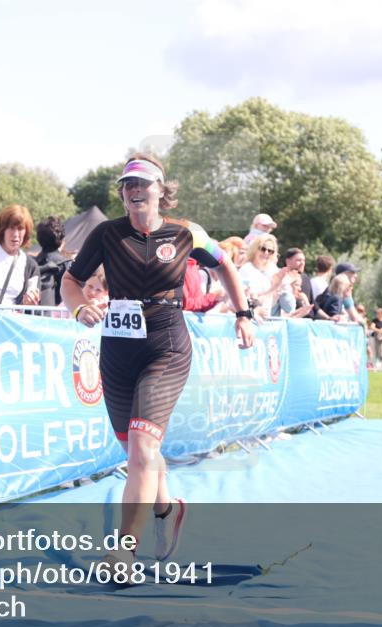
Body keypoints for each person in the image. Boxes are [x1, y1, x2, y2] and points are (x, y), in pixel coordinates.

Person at [61, 154, 255, 572]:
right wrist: (79, 309)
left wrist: (243, 315)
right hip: (117, 346)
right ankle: (167, 510)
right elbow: (71, 281)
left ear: (160, 190)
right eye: (127, 185)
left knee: (144, 445)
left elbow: (225, 268)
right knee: (134, 451)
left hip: (167, 345)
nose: (133, 190)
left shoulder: (186, 233)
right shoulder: (106, 234)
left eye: (142, 184)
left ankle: (124, 551)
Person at [238, 234, 285, 317]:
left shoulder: (272, 269)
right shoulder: (246, 269)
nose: (266, 253)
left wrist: (278, 290)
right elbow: (253, 301)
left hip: (266, 318)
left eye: (270, 251)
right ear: (255, 249)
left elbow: (271, 302)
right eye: (263, 249)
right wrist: (273, 288)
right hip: (249, 318)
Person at [35, 216, 72, 307]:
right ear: (61, 237)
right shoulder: (66, 264)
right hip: (58, 316)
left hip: (33, 315)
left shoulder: (31, 264)